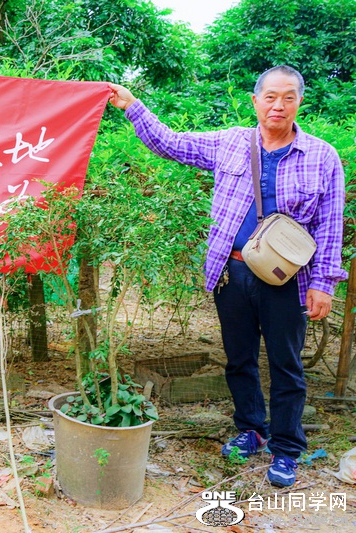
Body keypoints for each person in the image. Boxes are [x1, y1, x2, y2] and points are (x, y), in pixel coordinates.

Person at [108, 65, 346, 488]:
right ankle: (251, 429)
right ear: (255, 101)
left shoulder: (322, 156)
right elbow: (171, 144)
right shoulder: (230, 142)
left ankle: (286, 449)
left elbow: (330, 224)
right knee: (239, 358)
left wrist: (323, 284)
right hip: (231, 273)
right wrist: (132, 106)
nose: (278, 105)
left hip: (288, 279)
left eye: (288, 97)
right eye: (270, 97)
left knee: (287, 364)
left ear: (299, 102)